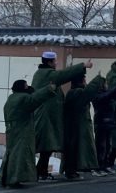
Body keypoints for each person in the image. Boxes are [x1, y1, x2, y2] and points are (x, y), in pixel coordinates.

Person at [30, 50, 92, 180]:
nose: (56, 63)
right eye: (54, 61)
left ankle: (41, 171)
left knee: (48, 146)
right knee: (46, 145)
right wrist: (83, 66)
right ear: (49, 62)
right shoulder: (47, 74)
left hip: (48, 116)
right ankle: (39, 172)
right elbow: (64, 75)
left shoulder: (42, 73)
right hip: (46, 116)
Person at [0, 80, 56, 188]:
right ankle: (14, 179)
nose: (28, 87)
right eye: (26, 86)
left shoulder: (11, 98)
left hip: (11, 130)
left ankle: (5, 178)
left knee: (11, 153)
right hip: (22, 131)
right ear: (22, 88)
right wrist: (48, 89)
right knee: (19, 155)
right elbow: (35, 100)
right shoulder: (23, 98)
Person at [61, 73, 104, 179]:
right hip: (77, 125)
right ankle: (71, 171)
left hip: (74, 124)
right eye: (85, 80)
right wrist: (97, 80)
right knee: (75, 148)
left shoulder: (72, 92)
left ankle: (72, 170)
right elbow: (88, 93)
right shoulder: (78, 92)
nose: (86, 82)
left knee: (74, 148)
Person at [89, 74, 116, 175]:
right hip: (101, 123)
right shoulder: (97, 95)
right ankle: (98, 167)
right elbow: (109, 94)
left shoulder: (106, 94)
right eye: (105, 83)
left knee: (108, 146)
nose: (107, 85)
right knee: (101, 146)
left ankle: (105, 165)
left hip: (108, 123)